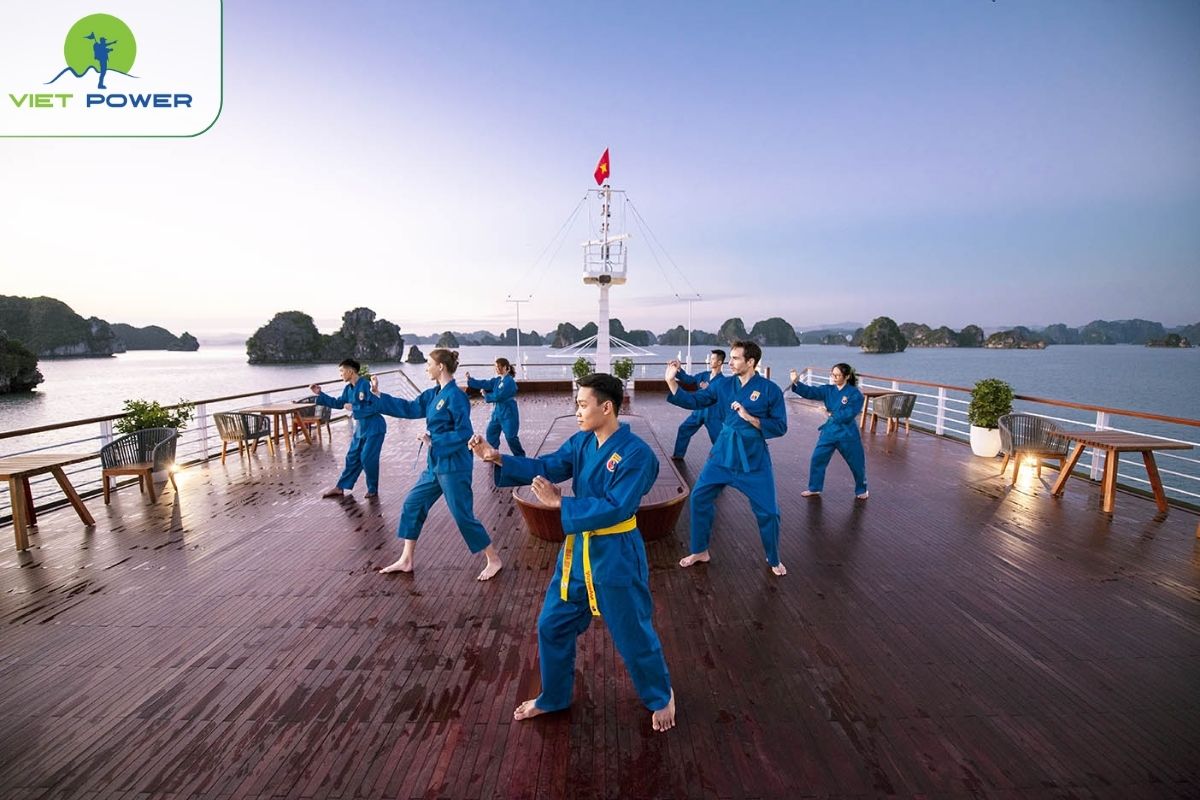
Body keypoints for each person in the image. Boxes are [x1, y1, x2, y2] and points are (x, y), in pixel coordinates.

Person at [468, 373, 676, 732]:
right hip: (578, 553)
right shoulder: (582, 443)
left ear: (606, 407)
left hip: (616, 555)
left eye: (582, 404)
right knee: (552, 625)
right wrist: (497, 457)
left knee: (632, 633)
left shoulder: (636, 455)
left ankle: (661, 696)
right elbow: (548, 466)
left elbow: (618, 507)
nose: (577, 411)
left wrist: (560, 503)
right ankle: (555, 696)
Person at [371, 349, 503, 581]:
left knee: (463, 516)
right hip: (435, 463)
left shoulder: (456, 397)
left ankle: (494, 559)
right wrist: (378, 396)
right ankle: (407, 559)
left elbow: (465, 433)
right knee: (413, 504)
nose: (426, 368)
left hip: (454, 465)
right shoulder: (434, 394)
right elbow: (410, 408)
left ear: (441, 366)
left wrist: (434, 440)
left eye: (429, 364)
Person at [666, 341, 788, 576]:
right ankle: (700, 550)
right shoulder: (722, 385)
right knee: (699, 498)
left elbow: (781, 426)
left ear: (751, 362)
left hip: (752, 459)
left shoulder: (769, 389)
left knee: (770, 512)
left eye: (735, 358)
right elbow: (696, 401)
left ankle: (773, 557)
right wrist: (672, 382)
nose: (729, 363)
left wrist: (750, 417)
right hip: (722, 454)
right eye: (729, 358)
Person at [788, 364, 869, 500]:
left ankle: (862, 489)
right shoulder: (828, 390)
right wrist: (796, 382)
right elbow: (811, 391)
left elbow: (849, 413)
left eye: (837, 375)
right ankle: (815, 488)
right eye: (832, 374)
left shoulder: (855, 394)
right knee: (817, 458)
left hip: (847, 433)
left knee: (857, 463)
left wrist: (830, 414)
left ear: (847, 376)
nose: (834, 378)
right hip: (829, 432)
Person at [309, 358, 385, 499]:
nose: (341, 375)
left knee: (367, 458)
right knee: (352, 457)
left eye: (342, 371)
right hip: (361, 428)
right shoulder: (348, 389)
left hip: (375, 427)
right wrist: (320, 394)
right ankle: (340, 487)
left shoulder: (366, 385)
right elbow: (339, 403)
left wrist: (354, 408)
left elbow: (375, 406)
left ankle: (372, 489)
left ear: (350, 371)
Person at [668, 348, 727, 460]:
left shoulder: (723, 381)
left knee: (718, 439)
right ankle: (678, 455)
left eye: (713, 359)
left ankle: (725, 461)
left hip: (712, 413)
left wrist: (709, 388)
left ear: (719, 362)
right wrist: (678, 369)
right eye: (710, 359)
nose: (710, 361)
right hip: (699, 410)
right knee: (684, 429)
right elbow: (689, 379)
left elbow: (720, 395)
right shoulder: (704, 375)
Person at [464, 357, 525, 456]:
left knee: (511, 437)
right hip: (497, 412)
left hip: (508, 413)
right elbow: (485, 383)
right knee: (491, 433)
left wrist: (486, 395)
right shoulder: (497, 380)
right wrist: (471, 380)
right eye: (495, 367)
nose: (497, 369)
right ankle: (493, 453)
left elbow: (499, 396)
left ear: (506, 367)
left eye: (499, 367)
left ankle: (520, 456)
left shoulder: (509, 382)